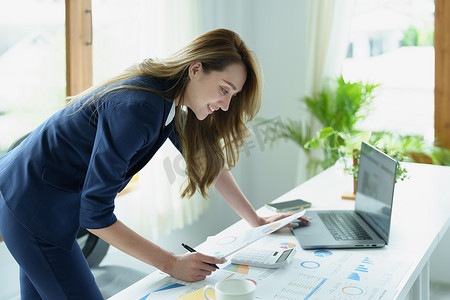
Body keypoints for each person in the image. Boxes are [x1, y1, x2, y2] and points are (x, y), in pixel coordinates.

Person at [0, 28, 308, 299]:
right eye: (224, 90)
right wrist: (171, 263)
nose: (226, 104)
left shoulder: (166, 97)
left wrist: (256, 220)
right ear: (196, 69)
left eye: (232, 95)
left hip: (35, 196)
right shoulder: (141, 108)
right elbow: (95, 214)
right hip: (31, 205)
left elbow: (207, 160)